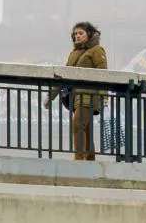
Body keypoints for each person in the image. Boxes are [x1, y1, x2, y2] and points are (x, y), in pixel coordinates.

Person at [42, 21, 108, 160]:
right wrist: (51, 96)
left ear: (89, 34)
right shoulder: (74, 53)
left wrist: (105, 97)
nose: (77, 36)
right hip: (76, 96)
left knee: (78, 124)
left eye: (81, 33)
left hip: (90, 95)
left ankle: (79, 159)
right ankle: (90, 160)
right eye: (75, 33)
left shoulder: (97, 50)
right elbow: (64, 75)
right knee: (86, 129)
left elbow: (103, 74)